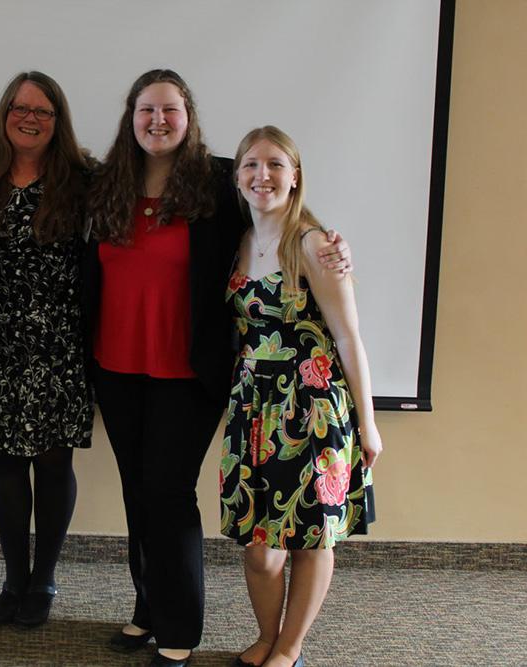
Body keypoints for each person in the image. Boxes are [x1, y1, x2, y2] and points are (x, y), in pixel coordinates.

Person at [84, 70, 352, 667]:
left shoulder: (217, 181)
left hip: (189, 372)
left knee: (169, 494)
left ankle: (178, 632)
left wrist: (332, 243)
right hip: (117, 366)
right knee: (137, 493)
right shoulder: (106, 184)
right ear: (131, 117)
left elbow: (281, 209)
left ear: (188, 116)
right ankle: (147, 607)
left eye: (170, 110)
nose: (158, 121)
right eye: (147, 110)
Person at [221, 126, 380, 667]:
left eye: (274, 165)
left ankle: (289, 647)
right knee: (261, 551)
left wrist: (369, 424)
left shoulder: (312, 244)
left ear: (294, 176)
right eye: (250, 165)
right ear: (237, 174)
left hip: (311, 408)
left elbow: (347, 337)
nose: (261, 175)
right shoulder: (237, 241)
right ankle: (266, 636)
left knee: (312, 538)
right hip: (253, 410)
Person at [0, 71, 94, 628]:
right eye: (19, 107)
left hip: (60, 344)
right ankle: (14, 580)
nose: (29, 117)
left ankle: (44, 580)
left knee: (53, 460)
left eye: (42, 110)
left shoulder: (83, 179)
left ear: (57, 120)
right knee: (6, 463)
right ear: (5, 114)